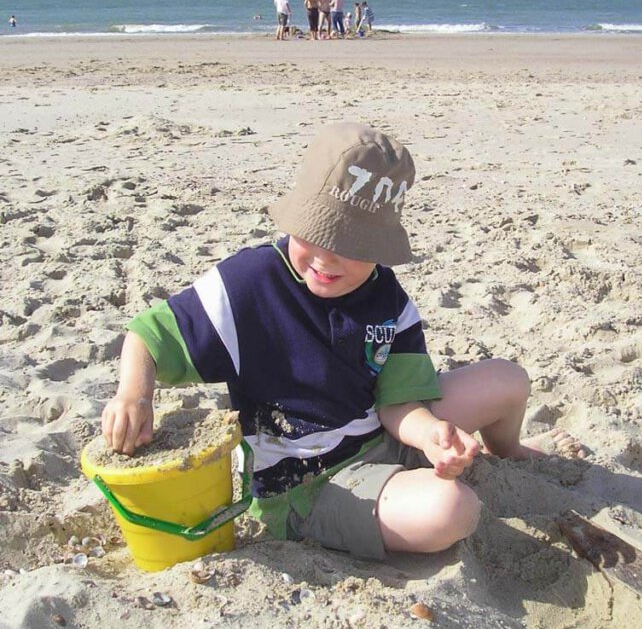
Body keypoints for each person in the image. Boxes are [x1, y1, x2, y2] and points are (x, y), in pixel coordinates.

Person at [101, 123, 583, 560]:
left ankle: (510, 453)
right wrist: (133, 395)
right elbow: (148, 334)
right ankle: (398, 493)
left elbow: (399, 404)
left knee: (508, 380)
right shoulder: (251, 282)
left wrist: (429, 436)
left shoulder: (388, 298)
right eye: (315, 233)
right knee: (452, 511)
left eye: (353, 246)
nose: (327, 259)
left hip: (383, 435)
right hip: (311, 483)